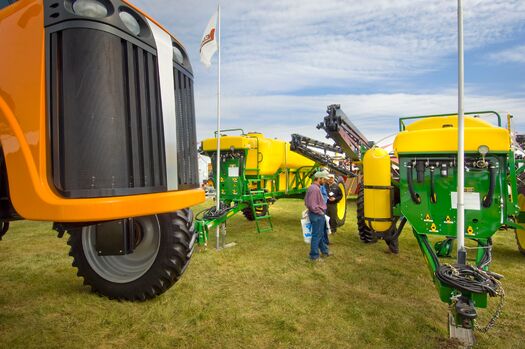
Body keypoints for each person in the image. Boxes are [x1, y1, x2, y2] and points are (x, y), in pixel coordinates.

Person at [304, 171, 331, 261]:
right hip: (317, 215)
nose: (325, 181)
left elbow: (306, 202)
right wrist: (320, 212)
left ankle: (325, 251)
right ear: (319, 179)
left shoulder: (314, 188)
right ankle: (314, 256)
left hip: (316, 215)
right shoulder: (314, 189)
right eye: (323, 179)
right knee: (316, 236)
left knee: (320, 234)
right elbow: (312, 205)